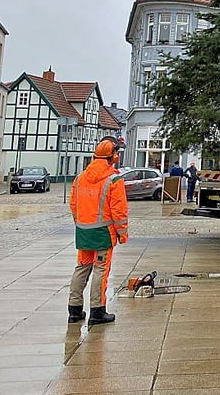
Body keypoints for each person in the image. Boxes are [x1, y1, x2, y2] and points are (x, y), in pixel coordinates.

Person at [68, 137, 128, 326]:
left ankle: (74, 309)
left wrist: (80, 223)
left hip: (84, 231)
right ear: (113, 157)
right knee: (101, 270)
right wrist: (122, 233)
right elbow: (119, 211)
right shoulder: (114, 180)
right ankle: (97, 310)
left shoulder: (80, 178)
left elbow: (74, 205)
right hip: (103, 233)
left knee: (82, 268)